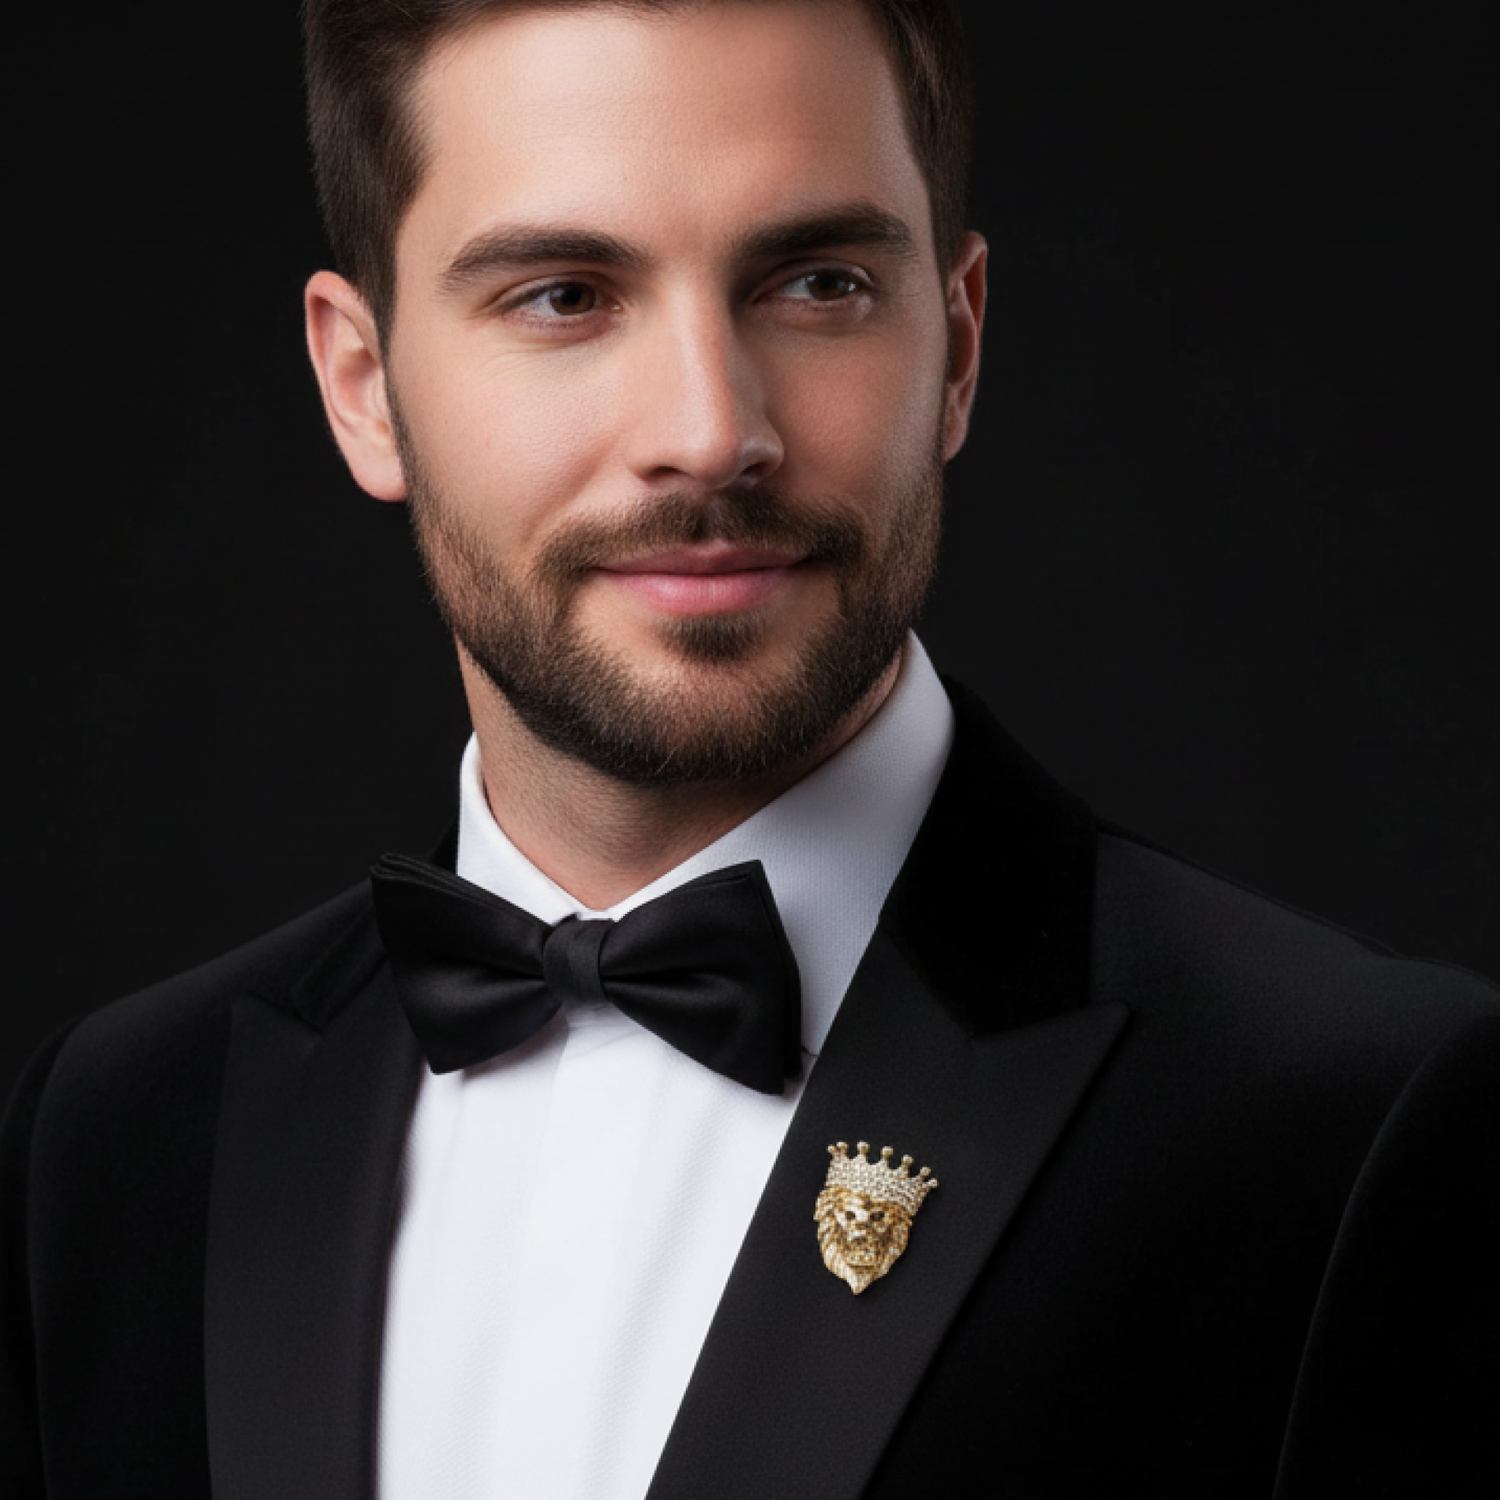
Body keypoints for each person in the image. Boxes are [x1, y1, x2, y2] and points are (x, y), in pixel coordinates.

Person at [2, 2, 1495, 1496]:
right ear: (363, 383)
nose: (711, 431)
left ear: (958, 348)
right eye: (565, 295)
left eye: (819, 283)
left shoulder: (1353, 1128)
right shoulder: (114, 1140)